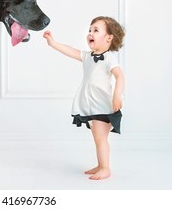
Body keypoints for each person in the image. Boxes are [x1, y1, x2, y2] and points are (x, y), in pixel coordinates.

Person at [43, 16, 125, 180]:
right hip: (91, 105)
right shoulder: (88, 56)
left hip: (103, 106)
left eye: (96, 30)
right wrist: (53, 43)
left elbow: (120, 76)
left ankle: (105, 168)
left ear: (109, 38)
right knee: (97, 138)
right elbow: (71, 50)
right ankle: (101, 165)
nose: (90, 33)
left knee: (101, 138)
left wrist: (117, 95)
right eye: (89, 30)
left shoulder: (109, 58)